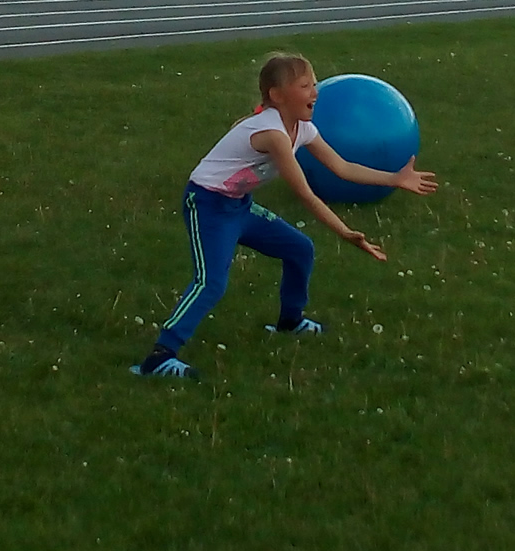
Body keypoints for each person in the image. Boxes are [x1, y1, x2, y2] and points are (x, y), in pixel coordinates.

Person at [131, 52, 438, 380]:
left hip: (239, 205)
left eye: (314, 84)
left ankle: (290, 321)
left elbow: (342, 167)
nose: (315, 92)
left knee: (300, 249)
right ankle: (159, 357)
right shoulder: (273, 134)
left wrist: (395, 178)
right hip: (207, 204)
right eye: (305, 86)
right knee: (211, 282)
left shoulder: (302, 128)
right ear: (277, 95)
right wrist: (345, 232)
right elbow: (305, 194)